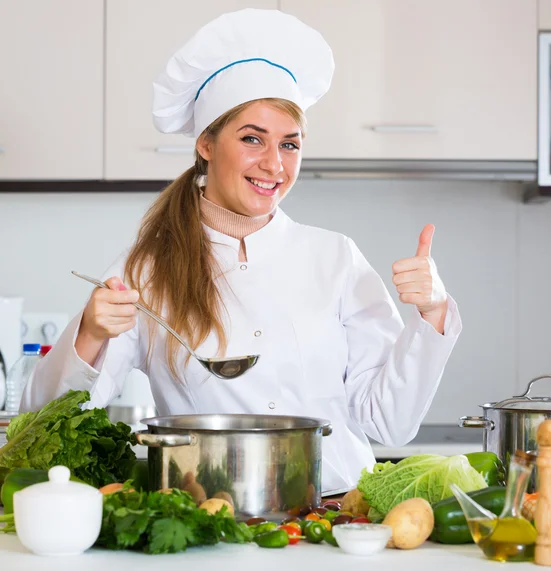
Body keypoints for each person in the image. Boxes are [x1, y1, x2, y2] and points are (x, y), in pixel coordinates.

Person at [21, 8, 462, 494]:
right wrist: (91, 331)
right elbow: (48, 424)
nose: (274, 164)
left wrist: (431, 312)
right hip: (205, 516)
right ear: (206, 143)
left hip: (336, 514)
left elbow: (388, 424)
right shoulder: (146, 270)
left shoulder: (336, 258)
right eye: (253, 139)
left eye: (290, 144)